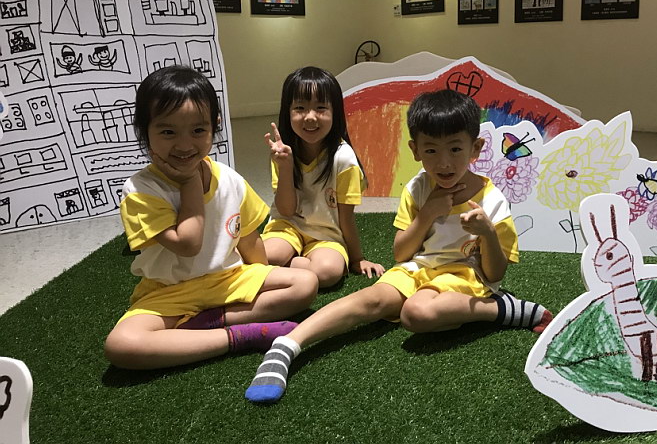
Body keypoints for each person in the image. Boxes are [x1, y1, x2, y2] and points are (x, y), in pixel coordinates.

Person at [246, 89, 552, 403]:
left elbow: (495, 274)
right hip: (418, 269)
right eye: (431, 150)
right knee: (371, 299)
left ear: (475, 148)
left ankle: (502, 309)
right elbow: (401, 254)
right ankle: (287, 345)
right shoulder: (418, 188)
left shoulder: (492, 201)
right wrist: (428, 213)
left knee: (416, 312)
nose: (444, 162)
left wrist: (487, 233)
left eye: (455, 148)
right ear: (415, 150)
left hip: (466, 276)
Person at [104, 66, 318, 370]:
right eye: (168, 132)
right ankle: (241, 334)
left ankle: (204, 324)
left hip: (228, 280)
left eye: (198, 131)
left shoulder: (229, 179)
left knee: (305, 284)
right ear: (144, 130)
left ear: (214, 126)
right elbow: (188, 243)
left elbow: (249, 242)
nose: (184, 145)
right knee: (121, 346)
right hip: (170, 291)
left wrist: (262, 277)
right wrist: (190, 181)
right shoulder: (140, 190)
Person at [260, 66, 384, 288]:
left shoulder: (344, 159)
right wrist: (286, 167)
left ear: (335, 112)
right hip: (287, 225)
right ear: (287, 112)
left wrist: (357, 259)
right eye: (300, 108)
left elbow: (346, 219)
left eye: (320, 108)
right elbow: (286, 210)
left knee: (328, 272)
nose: (310, 117)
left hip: (326, 235)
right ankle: (289, 264)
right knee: (269, 255)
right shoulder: (283, 152)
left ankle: (286, 267)